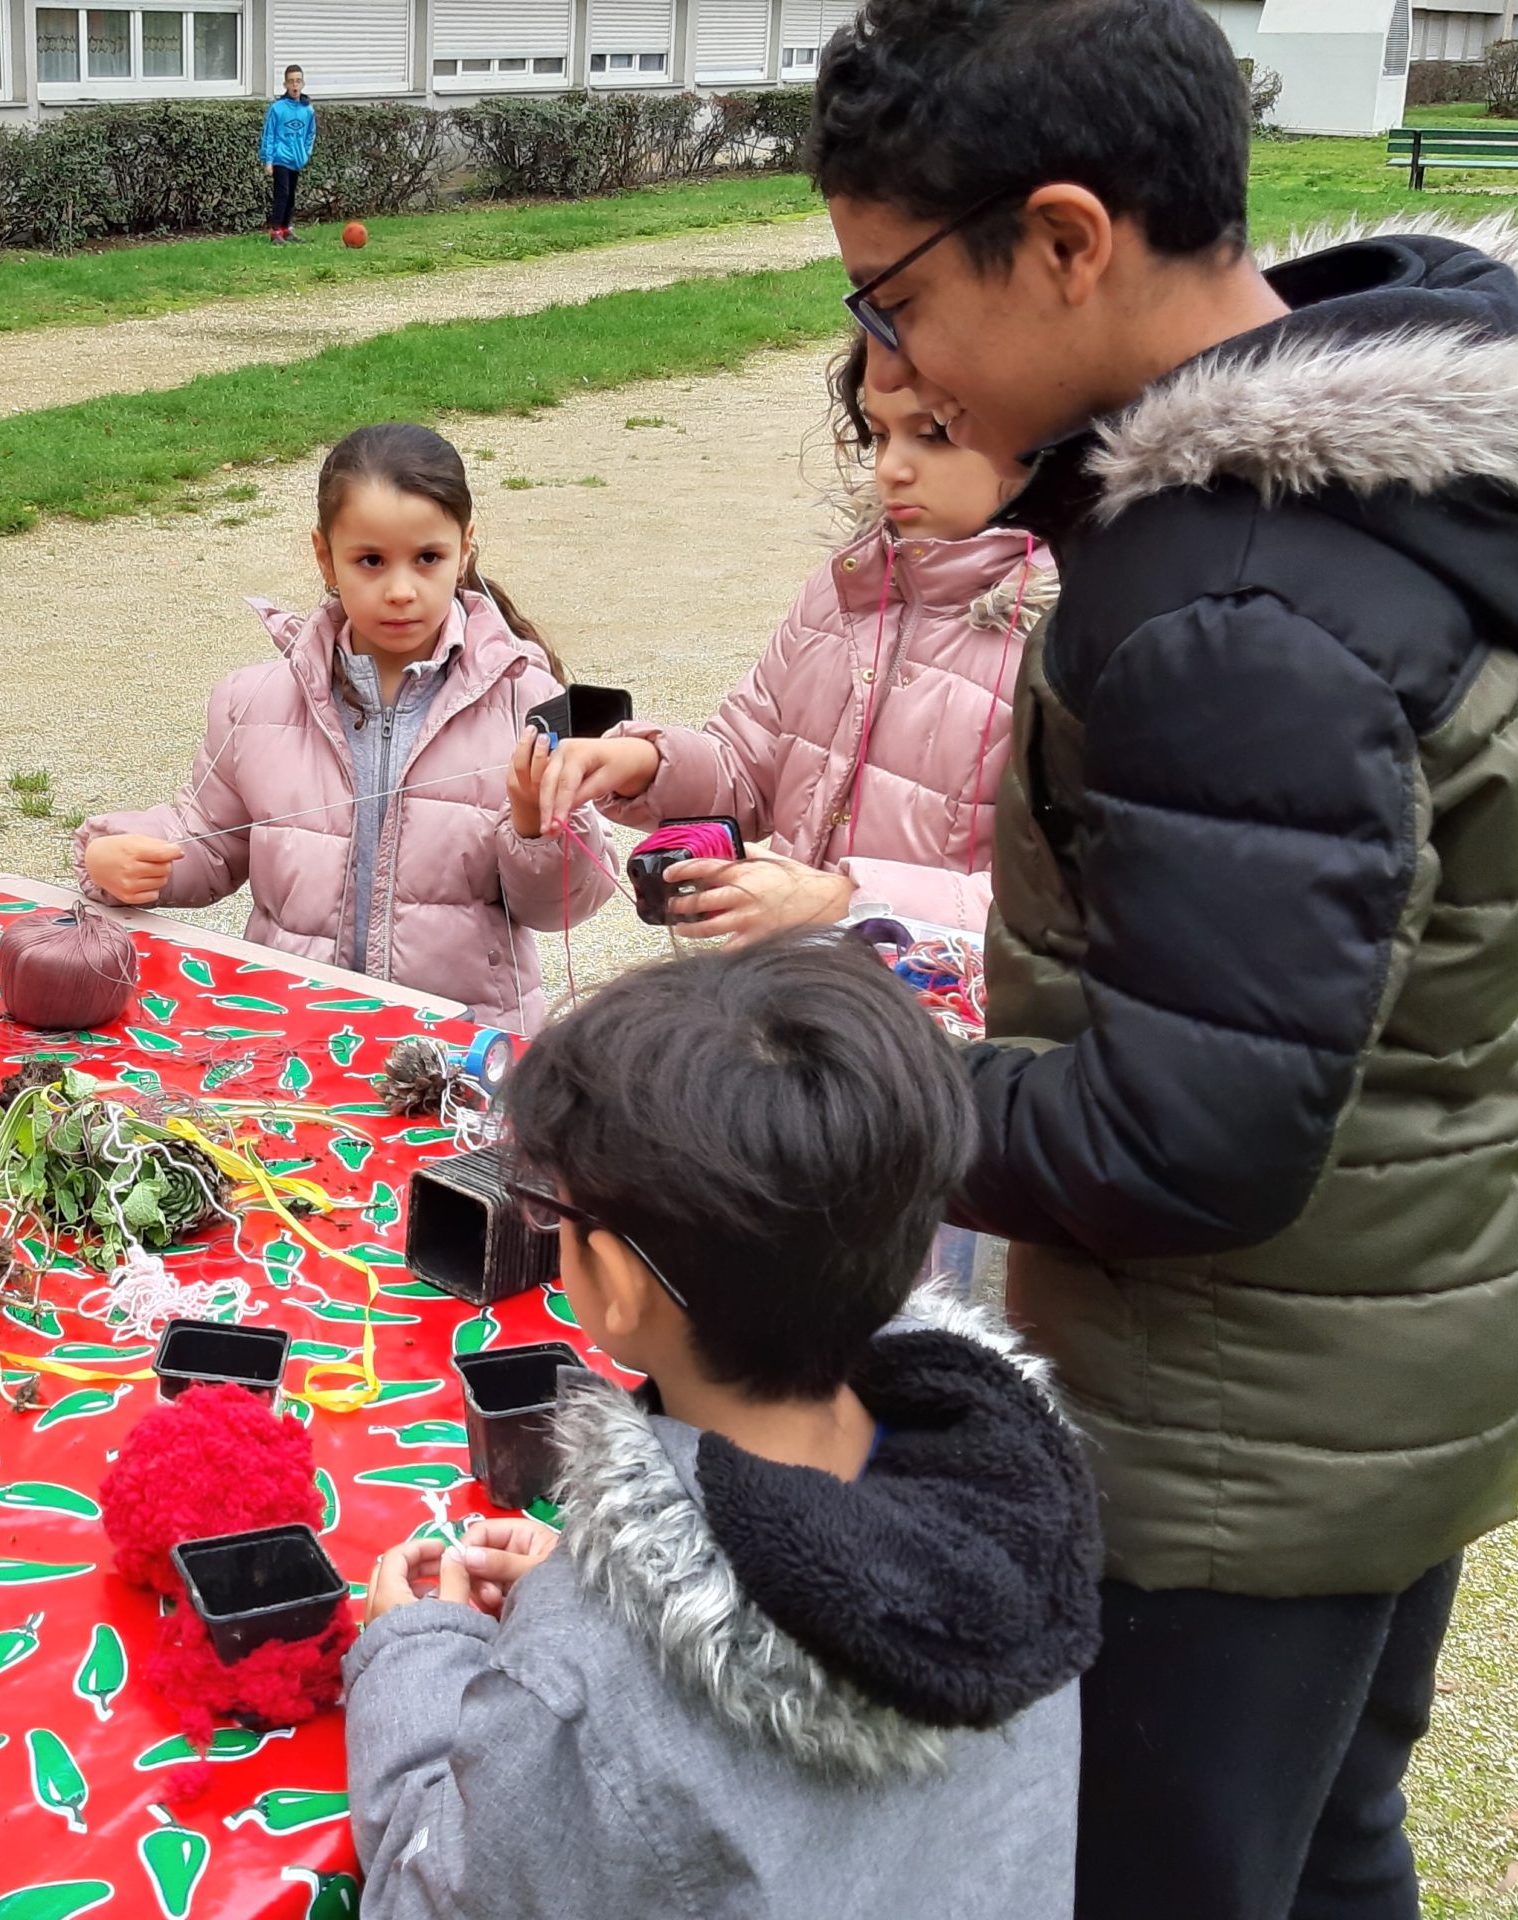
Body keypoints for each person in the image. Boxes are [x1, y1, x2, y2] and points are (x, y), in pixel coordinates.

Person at [808, 0, 1518, 1913]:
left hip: (1230, 1454)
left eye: (891, 298)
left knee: (1164, 1875)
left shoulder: (1239, 610)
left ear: (1062, 239)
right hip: (1389, 1368)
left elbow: (1186, 1139)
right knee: (1330, 1849)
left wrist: (839, 1091)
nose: (894, 363)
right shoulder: (1407, 449)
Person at [344, 937, 1103, 1918]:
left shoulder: (582, 1685)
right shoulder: (1011, 1506)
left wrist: (415, 1657)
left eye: (552, 1212)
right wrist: (602, 1582)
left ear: (613, 1287)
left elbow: (432, 1892)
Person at [75, 423, 616, 1033]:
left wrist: (535, 827)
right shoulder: (254, 700)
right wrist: (116, 857)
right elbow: (206, 839)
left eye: (428, 559)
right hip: (294, 1031)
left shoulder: (528, 701)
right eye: (371, 562)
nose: (401, 590)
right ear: (323, 554)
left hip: (462, 1044)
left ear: (465, 548)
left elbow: (567, 905)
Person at [540, 333, 1051, 941]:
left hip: (948, 1022)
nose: (892, 468)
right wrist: (642, 763)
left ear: (1033, 430)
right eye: (880, 435)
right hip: (797, 992)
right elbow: (749, 770)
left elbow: (1074, 904)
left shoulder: (1069, 634)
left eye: (933, 433)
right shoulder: (842, 591)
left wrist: (845, 900)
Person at [261, 64, 315, 244]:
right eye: (291, 81)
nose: (294, 85)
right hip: (280, 158)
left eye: (298, 81)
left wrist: (306, 153)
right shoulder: (277, 108)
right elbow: (269, 134)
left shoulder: (307, 110)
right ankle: (275, 230)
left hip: (296, 159)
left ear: (303, 84)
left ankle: (286, 229)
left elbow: (310, 134)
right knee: (282, 193)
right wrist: (268, 159)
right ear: (285, 84)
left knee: (291, 195)